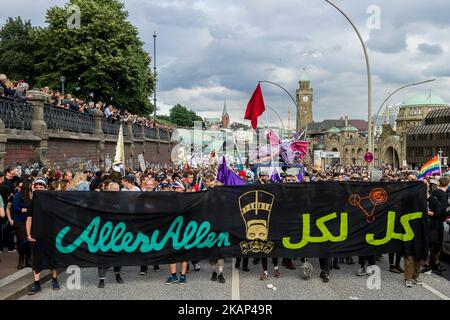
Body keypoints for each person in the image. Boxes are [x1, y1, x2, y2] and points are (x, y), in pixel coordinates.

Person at [26, 178, 60, 295]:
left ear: (45, 188)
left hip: (50, 233)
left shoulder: (51, 201)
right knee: (37, 259)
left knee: (52, 257)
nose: (39, 189)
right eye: (37, 187)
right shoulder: (31, 202)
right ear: (34, 188)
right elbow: (29, 219)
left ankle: (54, 281)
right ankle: (37, 284)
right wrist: (28, 234)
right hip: (37, 234)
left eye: (41, 187)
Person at [98, 182, 123, 288]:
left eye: (117, 188)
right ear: (109, 189)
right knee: (103, 254)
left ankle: (118, 275)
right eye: (113, 188)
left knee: (118, 254)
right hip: (105, 231)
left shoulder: (123, 199)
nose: (115, 190)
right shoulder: (103, 199)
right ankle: (102, 279)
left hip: (119, 231)